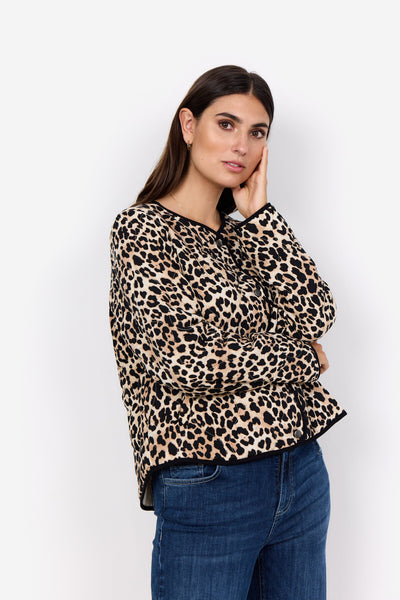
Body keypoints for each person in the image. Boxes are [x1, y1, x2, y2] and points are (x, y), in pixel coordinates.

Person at [108, 64, 347, 600]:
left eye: (257, 132)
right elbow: (183, 363)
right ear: (188, 125)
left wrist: (260, 216)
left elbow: (318, 313)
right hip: (210, 479)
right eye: (226, 124)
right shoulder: (142, 230)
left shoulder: (248, 236)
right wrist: (301, 359)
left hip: (300, 469)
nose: (242, 145)